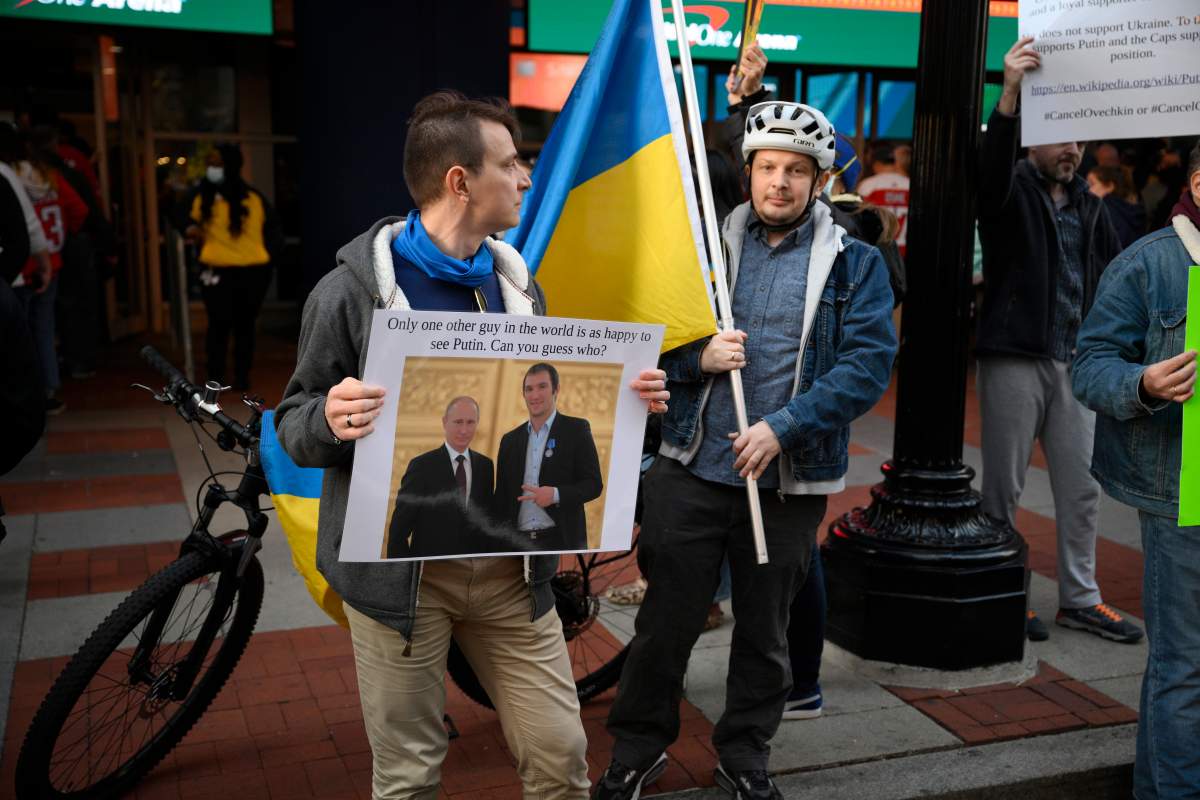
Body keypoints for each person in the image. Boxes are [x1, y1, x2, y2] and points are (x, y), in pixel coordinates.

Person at [275, 90, 669, 800]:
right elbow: (293, 421)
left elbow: (550, 422)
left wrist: (634, 409)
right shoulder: (348, 295)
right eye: (510, 163)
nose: (524, 177)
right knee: (409, 775)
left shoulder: (521, 289)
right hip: (401, 583)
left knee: (560, 755)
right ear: (460, 181)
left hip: (510, 575)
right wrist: (328, 419)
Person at [595, 99, 897, 800]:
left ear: (819, 180)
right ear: (750, 172)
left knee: (765, 637)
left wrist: (782, 428)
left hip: (787, 484)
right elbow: (646, 336)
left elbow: (865, 366)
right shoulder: (700, 255)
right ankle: (638, 751)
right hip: (689, 472)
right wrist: (695, 356)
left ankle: (744, 755)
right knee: (663, 628)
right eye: (768, 167)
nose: (780, 183)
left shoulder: (857, 264)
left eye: (797, 170)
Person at [977, 37, 1140, 645]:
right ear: (1032, 140)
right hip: (1014, 357)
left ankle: (1081, 598)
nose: (1073, 150)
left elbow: (1117, 277)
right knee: (1004, 487)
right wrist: (1010, 94)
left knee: (1082, 488)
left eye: (1079, 141)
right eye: (1061, 139)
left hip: (1077, 364)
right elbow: (987, 171)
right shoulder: (1008, 189)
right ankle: (1006, 591)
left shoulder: (1093, 207)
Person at [1071, 140, 1200, 800]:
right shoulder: (1150, 264)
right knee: (1185, 665)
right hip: (1184, 497)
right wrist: (1145, 383)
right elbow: (1090, 367)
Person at [184, 143, 282, 390]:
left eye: (217, 164)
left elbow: (273, 233)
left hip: (252, 272)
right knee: (218, 326)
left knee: (244, 327)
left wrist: (268, 261)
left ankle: (241, 378)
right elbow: (182, 218)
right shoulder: (202, 197)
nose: (212, 169)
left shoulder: (253, 198)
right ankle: (215, 378)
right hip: (217, 272)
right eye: (210, 164)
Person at [13, 130, 89, 415]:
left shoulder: (12, 179)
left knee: (19, 331)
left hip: (23, 265)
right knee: (44, 326)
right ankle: (48, 387)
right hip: (52, 260)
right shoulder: (51, 179)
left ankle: (30, 391)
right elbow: (79, 210)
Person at [495, 363, 603, 552]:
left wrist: (555, 495)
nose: (535, 395)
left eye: (542, 386)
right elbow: (501, 498)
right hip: (516, 544)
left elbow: (593, 485)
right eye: (529, 389)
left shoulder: (576, 429)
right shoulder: (509, 440)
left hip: (560, 540)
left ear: (556, 389)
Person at [386, 396, 494, 559]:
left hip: (473, 573)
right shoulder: (421, 466)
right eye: (458, 422)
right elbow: (398, 532)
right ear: (444, 422)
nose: (464, 430)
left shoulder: (486, 466)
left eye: (470, 422)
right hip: (430, 572)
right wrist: (403, 575)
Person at [855, 141, 910, 257]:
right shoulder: (909, 184)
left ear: (876, 164)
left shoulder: (868, 185)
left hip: (878, 251)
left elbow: (857, 219)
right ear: (894, 163)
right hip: (907, 251)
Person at [1088, 165, 1147, 250]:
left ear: (1109, 186)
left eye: (1092, 184)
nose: (1087, 189)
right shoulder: (1133, 209)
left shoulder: (1103, 211)